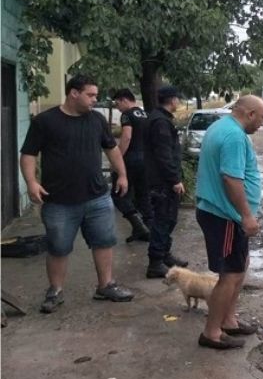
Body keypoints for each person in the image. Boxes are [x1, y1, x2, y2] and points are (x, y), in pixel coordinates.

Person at [19, 74, 135, 313]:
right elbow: (28, 154)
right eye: (91, 95)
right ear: (74, 93)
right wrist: (31, 182)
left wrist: (122, 174)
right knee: (58, 247)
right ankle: (55, 291)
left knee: (103, 242)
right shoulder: (45, 121)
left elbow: (111, 149)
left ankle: (106, 285)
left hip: (97, 197)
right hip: (59, 201)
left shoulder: (96, 120)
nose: (96, 99)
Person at [195, 95, 263, 349]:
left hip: (222, 213)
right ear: (249, 114)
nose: (262, 123)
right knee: (230, 275)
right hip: (224, 216)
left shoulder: (220, 126)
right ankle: (211, 332)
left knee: (239, 268)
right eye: (261, 117)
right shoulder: (235, 136)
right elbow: (231, 179)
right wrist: (247, 215)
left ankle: (229, 321)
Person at [143, 85, 188, 278]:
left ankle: (164, 254)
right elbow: (164, 155)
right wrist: (174, 179)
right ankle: (155, 262)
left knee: (168, 219)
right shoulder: (160, 122)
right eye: (177, 98)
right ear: (172, 100)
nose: (178, 101)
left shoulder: (160, 119)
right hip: (163, 182)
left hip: (161, 180)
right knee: (163, 219)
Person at [111, 88, 151, 243]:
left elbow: (126, 137)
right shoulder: (145, 114)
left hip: (130, 160)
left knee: (118, 194)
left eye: (117, 103)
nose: (117, 107)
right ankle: (145, 230)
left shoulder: (127, 115)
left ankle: (139, 226)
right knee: (142, 195)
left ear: (124, 100)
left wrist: (117, 158)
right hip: (145, 160)